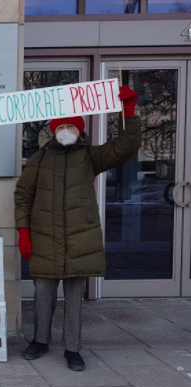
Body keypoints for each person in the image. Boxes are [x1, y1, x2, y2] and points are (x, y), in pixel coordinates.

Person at [14, 86, 141, 371]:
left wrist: (129, 112)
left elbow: (126, 147)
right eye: (61, 126)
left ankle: (72, 348)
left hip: (79, 238)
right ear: (54, 130)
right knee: (43, 294)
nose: (66, 130)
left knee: (74, 298)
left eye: (71, 126)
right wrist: (23, 231)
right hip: (45, 237)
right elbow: (23, 196)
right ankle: (40, 340)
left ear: (80, 130)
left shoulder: (91, 156)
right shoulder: (39, 159)